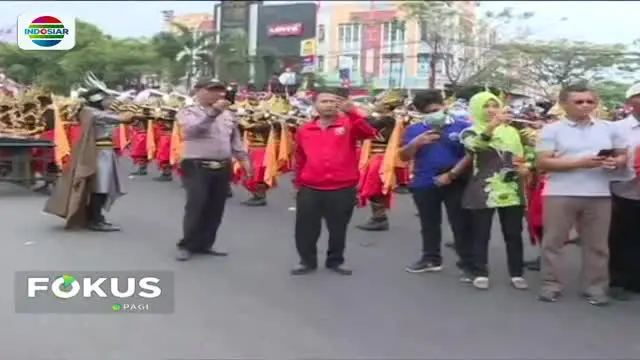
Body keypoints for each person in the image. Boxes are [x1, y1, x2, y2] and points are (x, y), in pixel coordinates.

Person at [536, 84, 627, 306]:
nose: (585, 106)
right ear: (564, 104)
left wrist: (616, 162)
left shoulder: (609, 128)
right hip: (560, 192)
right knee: (553, 242)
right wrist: (581, 163)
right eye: (579, 102)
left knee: (597, 245)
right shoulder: (552, 130)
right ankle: (551, 284)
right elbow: (543, 162)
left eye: (590, 101)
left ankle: (595, 287)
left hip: (598, 193)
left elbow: (623, 154)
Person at [292, 87, 377, 275]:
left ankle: (335, 261)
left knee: (338, 228)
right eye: (324, 101)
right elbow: (299, 158)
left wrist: (352, 112)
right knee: (306, 228)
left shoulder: (348, 125)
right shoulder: (305, 129)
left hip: (342, 188)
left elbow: (369, 133)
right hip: (310, 187)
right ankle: (306, 261)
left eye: (333, 101)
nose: (329, 104)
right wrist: (298, 183)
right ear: (315, 106)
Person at [175, 78, 252, 261]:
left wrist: (244, 160)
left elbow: (235, 140)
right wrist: (213, 112)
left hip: (222, 166)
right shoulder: (188, 112)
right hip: (197, 166)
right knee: (197, 204)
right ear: (199, 91)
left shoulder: (229, 115)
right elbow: (193, 131)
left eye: (221, 90)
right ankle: (187, 244)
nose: (219, 94)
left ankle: (206, 243)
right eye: (213, 90)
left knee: (215, 207)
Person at [460, 91, 530, 290]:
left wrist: (525, 166)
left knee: (514, 233)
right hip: (484, 188)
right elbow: (475, 147)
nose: (491, 110)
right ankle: (479, 271)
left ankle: (516, 273)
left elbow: (520, 157)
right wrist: (492, 126)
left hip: (511, 187)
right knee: (480, 233)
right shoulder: (469, 131)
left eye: (494, 105)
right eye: (486, 106)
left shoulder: (512, 131)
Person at [400, 90, 474, 279]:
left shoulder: (463, 127)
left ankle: (468, 263)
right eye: (427, 112)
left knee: (460, 222)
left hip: (456, 180)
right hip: (424, 181)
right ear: (419, 112)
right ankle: (431, 259)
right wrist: (416, 143)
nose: (434, 114)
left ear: (444, 106)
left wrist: (452, 174)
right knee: (429, 223)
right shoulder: (414, 130)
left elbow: (471, 154)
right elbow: (402, 156)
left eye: (436, 109)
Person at [44, 87, 132, 231]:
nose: (109, 101)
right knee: (100, 187)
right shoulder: (91, 112)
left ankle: (95, 217)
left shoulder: (95, 112)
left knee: (103, 186)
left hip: (105, 152)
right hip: (97, 152)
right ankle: (95, 219)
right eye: (106, 99)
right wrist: (133, 110)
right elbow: (122, 118)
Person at [608, 83, 640, 299]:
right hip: (625, 190)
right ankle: (618, 279)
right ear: (630, 103)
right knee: (621, 236)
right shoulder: (617, 129)